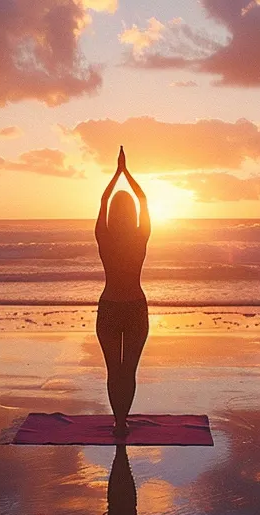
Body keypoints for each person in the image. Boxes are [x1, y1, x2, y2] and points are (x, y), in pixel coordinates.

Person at [95, 147, 151, 436]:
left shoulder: (103, 237)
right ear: (131, 214)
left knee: (113, 371)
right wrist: (127, 173)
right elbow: (142, 199)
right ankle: (121, 423)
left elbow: (104, 199)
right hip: (135, 308)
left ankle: (118, 422)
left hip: (109, 308)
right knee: (128, 371)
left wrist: (116, 173)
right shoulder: (140, 237)